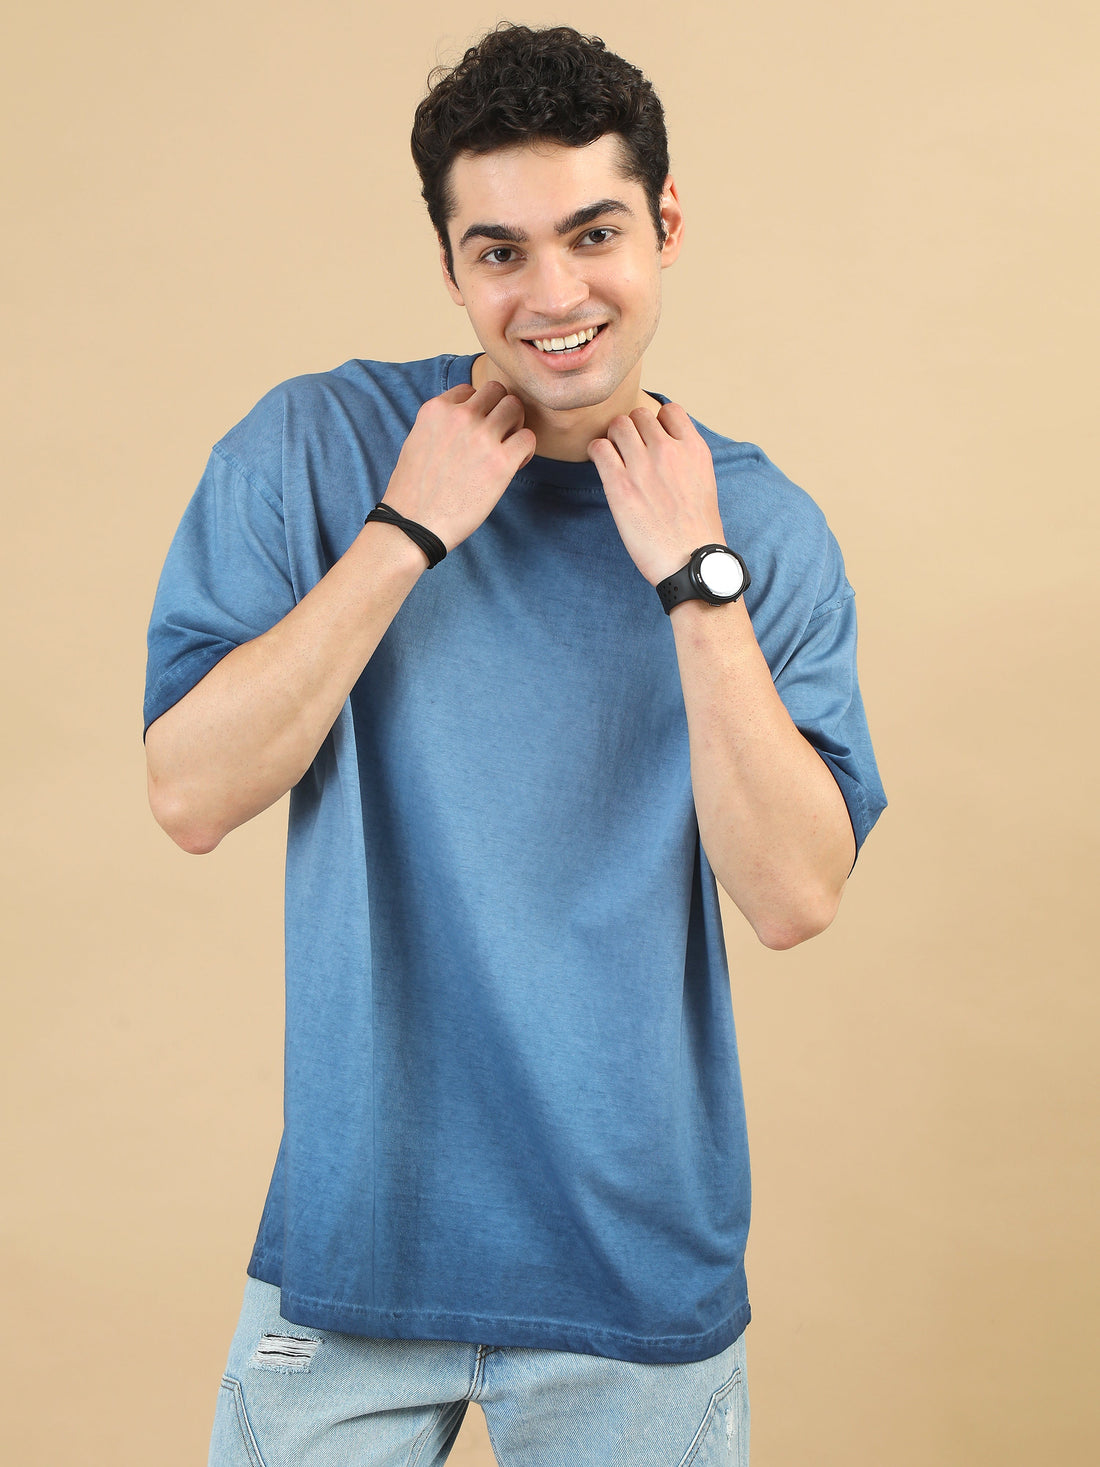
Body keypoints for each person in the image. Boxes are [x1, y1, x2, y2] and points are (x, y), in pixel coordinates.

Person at [144, 22, 885, 1467]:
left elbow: (796, 895)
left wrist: (694, 582)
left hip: (635, 1272)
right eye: (500, 251)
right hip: (354, 1250)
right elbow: (189, 794)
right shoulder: (312, 448)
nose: (553, 296)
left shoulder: (758, 527)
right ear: (450, 267)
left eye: (594, 233)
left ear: (665, 226)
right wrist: (405, 531)